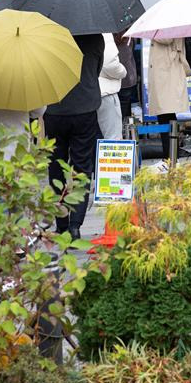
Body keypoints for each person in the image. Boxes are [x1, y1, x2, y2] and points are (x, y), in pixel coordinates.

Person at [44, 34, 105, 240]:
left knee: (56, 166)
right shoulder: (95, 38)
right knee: (82, 167)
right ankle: (75, 225)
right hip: (85, 107)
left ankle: (61, 223)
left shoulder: (50, 36)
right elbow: (97, 69)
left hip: (55, 108)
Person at [148, 38, 191, 159]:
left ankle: (171, 156)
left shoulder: (165, 22)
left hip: (167, 72)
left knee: (166, 115)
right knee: (166, 115)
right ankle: (170, 155)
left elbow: (167, 38)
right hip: (166, 71)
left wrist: (153, 30)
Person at [97, 33, 127, 140]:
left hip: (84, 93)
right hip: (105, 91)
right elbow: (110, 63)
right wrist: (123, 71)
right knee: (112, 140)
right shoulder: (103, 30)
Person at [114, 33, 138, 119]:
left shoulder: (107, 37)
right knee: (123, 113)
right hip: (127, 79)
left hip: (112, 80)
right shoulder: (129, 34)